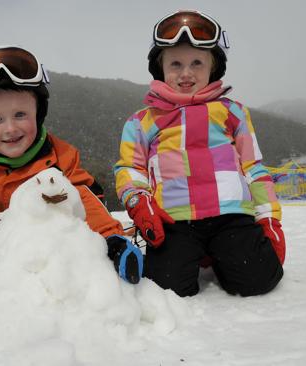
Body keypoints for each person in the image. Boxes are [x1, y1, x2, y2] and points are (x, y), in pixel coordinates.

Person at [0, 46, 143, 300]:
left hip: (50, 248)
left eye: (20, 114)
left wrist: (111, 241)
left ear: (38, 112)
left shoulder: (59, 156)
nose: (10, 128)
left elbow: (86, 201)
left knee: (80, 287)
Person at [114, 10, 285, 297]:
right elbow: (130, 170)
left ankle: (221, 255)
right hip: (174, 220)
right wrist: (139, 202)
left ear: (213, 66)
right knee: (166, 288)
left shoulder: (233, 112)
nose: (186, 73)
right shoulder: (142, 120)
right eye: (176, 63)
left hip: (230, 216)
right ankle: (196, 255)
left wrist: (269, 218)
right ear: (161, 68)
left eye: (197, 62)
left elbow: (254, 168)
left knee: (260, 279)